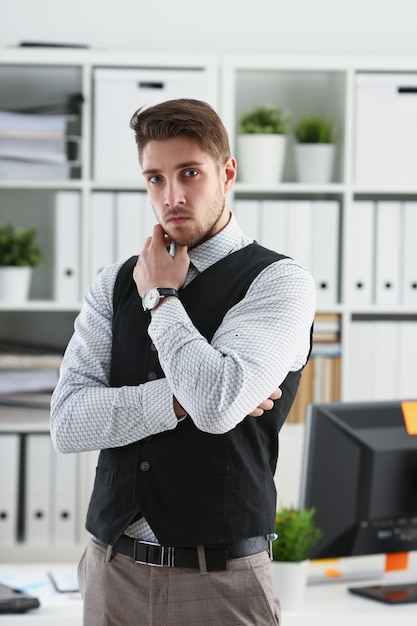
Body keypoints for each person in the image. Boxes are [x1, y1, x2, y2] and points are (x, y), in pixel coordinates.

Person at [50, 98, 315, 626]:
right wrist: (178, 398)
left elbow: (216, 406)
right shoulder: (112, 284)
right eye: (155, 178)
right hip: (111, 571)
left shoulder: (279, 282)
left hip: (221, 579)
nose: (171, 196)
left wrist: (162, 298)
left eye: (189, 173)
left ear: (227, 172)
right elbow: (67, 421)